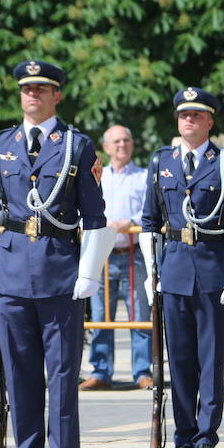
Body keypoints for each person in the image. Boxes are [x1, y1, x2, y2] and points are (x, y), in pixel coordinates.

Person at [0, 59, 114, 448]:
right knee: (19, 370)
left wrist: (88, 272)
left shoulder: (76, 145)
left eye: (41, 88)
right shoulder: (1, 144)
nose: (32, 94)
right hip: (12, 268)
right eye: (26, 88)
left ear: (56, 95)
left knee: (63, 370)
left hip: (59, 268)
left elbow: (95, 217)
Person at [140, 86, 224, 448]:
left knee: (210, 360)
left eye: (196, 115)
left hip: (212, 269)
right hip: (174, 269)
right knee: (179, 360)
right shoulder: (161, 161)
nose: (189, 120)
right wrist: (151, 272)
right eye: (184, 114)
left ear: (210, 121)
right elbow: (150, 222)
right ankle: (183, 436)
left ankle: (206, 437)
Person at [81, 125, 152, 390]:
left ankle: (142, 371)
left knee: (140, 315)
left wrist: (130, 222)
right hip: (102, 255)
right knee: (101, 316)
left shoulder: (143, 176)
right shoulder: (97, 176)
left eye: (126, 140)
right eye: (117, 141)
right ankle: (101, 371)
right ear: (106, 148)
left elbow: (150, 210)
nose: (122, 145)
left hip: (134, 254)